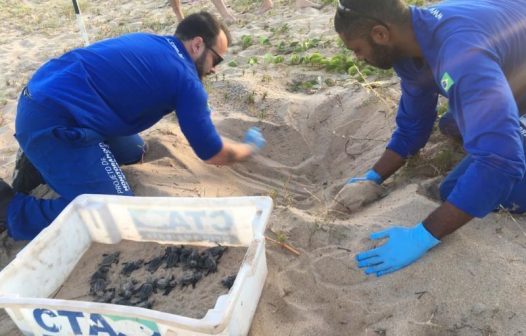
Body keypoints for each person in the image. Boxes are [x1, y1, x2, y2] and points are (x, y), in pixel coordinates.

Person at [0, 11, 266, 241]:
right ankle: (11, 208)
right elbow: (212, 153)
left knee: (135, 151)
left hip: (47, 96)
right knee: (113, 209)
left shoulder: (153, 41)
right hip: (53, 119)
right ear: (197, 45)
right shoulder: (186, 80)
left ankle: (40, 161)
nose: (214, 70)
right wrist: (248, 148)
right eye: (216, 60)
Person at [333, 0, 526, 276]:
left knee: (458, 187)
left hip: (495, 69)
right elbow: (414, 124)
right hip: (512, 70)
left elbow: (501, 161)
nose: (357, 58)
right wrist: (373, 177)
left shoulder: (460, 52)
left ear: (380, 34)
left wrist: (423, 235)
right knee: (454, 122)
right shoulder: (413, 42)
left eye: (357, 49)